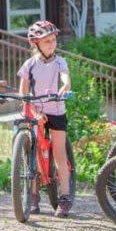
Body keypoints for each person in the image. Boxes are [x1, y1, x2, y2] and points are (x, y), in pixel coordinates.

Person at [17, 19, 72, 217]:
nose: (52, 44)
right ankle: (32, 195)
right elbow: (23, 92)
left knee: (59, 153)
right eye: (47, 41)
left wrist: (65, 87)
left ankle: (64, 196)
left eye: (53, 40)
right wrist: (32, 110)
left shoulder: (60, 62)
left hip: (56, 110)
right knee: (32, 151)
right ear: (36, 44)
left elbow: (66, 78)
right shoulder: (29, 65)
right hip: (35, 111)